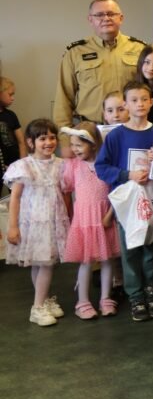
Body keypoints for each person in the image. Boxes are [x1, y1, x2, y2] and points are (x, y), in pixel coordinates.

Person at [95, 81, 153, 322]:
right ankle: (136, 296)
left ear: (151, 102)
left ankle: (152, 293)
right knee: (130, 252)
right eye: (134, 100)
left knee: (151, 251)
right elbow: (101, 167)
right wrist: (128, 175)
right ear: (125, 104)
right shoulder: (116, 136)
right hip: (127, 206)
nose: (140, 104)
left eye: (144, 99)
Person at [4, 118, 70, 326]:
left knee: (43, 263)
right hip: (34, 223)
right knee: (45, 264)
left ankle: (44, 299)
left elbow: (65, 194)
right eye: (42, 139)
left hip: (55, 221)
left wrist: (70, 217)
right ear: (31, 142)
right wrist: (12, 226)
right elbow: (15, 198)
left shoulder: (61, 164)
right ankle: (38, 307)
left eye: (52, 138)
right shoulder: (24, 166)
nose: (48, 142)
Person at [54, 0, 146, 138]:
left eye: (111, 14)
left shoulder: (140, 49)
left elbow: (152, 90)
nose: (106, 18)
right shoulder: (76, 52)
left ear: (121, 18)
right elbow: (63, 98)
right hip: (89, 132)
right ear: (90, 20)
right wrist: (65, 138)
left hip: (133, 130)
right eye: (99, 15)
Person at [60, 123, 120, 320]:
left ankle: (105, 298)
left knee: (107, 260)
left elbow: (116, 191)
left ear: (93, 144)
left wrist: (110, 214)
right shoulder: (73, 166)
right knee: (86, 261)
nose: (75, 149)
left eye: (79, 145)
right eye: (72, 145)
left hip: (105, 218)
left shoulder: (106, 164)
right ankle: (83, 301)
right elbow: (66, 188)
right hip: (84, 220)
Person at [0, 76, 28, 183]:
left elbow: (21, 142)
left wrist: (22, 165)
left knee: (18, 191)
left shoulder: (11, 115)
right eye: (10, 94)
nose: (13, 98)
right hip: (2, 166)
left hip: (15, 167)